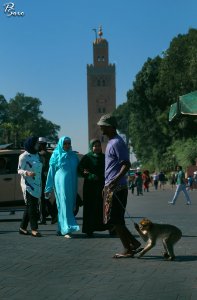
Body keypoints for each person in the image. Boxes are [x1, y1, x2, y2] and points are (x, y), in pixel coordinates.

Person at [97, 113, 142, 258]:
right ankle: (133, 243)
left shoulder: (116, 142)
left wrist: (115, 180)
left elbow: (126, 164)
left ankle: (129, 248)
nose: (100, 128)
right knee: (116, 220)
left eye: (102, 125)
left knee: (116, 220)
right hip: (111, 186)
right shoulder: (111, 142)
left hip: (117, 187)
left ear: (110, 127)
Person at [44, 136, 80, 238]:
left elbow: (79, 169)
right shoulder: (56, 155)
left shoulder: (73, 155)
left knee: (68, 204)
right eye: (65, 143)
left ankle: (60, 228)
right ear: (61, 144)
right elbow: (51, 172)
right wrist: (48, 188)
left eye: (69, 143)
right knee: (64, 204)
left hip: (72, 183)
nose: (67, 145)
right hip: (61, 183)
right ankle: (67, 229)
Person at [78, 138, 108, 237]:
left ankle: (105, 227)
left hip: (102, 186)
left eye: (99, 146)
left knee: (103, 207)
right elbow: (80, 169)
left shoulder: (105, 157)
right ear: (91, 147)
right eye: (95, 146)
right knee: (90, 207)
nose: (97, 148)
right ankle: (89, 229)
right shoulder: (87, 157)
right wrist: (89, 175)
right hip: (90, 187)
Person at [18, 136, 42, 237]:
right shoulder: (24, 156)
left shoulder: (37, 155)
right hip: (28, 185)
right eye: (36, 143)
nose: (38, 145)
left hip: (37, 184)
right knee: (32, 206)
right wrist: (27, 173)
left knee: (30, 206)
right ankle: (34, 229)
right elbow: (19, 170)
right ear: (31, 144)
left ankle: (22, 228)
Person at [38, 137, 58, 225]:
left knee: (42, 200)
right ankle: (53, 216)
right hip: (47, 179)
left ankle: (45, 218)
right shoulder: (49, 154)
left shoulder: (41, 155)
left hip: (43, 179)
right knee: (45, 199)